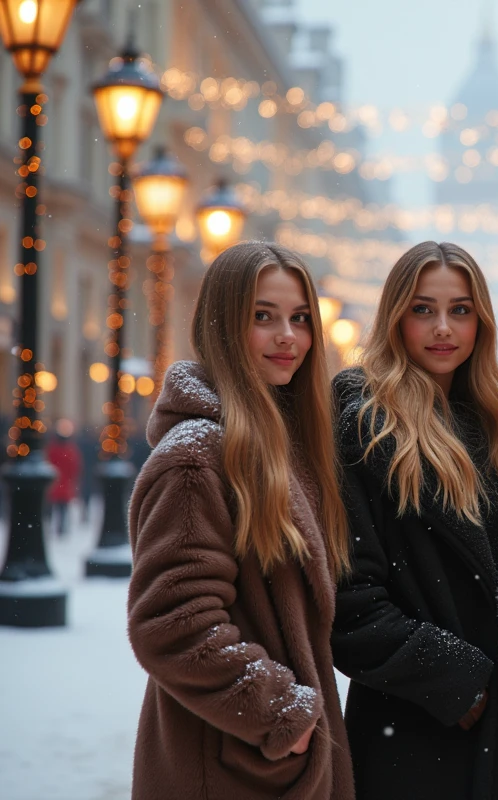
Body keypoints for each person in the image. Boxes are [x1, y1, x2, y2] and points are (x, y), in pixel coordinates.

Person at [126, 242, 354, 800]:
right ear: (223, 325)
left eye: (301, 318)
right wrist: (281, 715)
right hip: (227, 764)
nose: (288, 337)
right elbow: (173, 622)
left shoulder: (282, 446)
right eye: (263, 317)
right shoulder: (197, 455)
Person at [331, 241, 498, 799]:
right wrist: (457, 680)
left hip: (497, 728)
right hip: (413, 729)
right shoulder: (364, 428)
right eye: (423, 309)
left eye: (460, 310)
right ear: (396, 319)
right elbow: (348, 599)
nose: (443, 327)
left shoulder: (488, 429)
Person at [45, 419, 82, 536]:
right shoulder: (71, 450)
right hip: (65, 483)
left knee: (52, 506)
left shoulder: (52, 449)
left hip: (54, 483)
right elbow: (75, 467)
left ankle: (51, 525)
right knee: (63, 508)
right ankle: (61, 528)